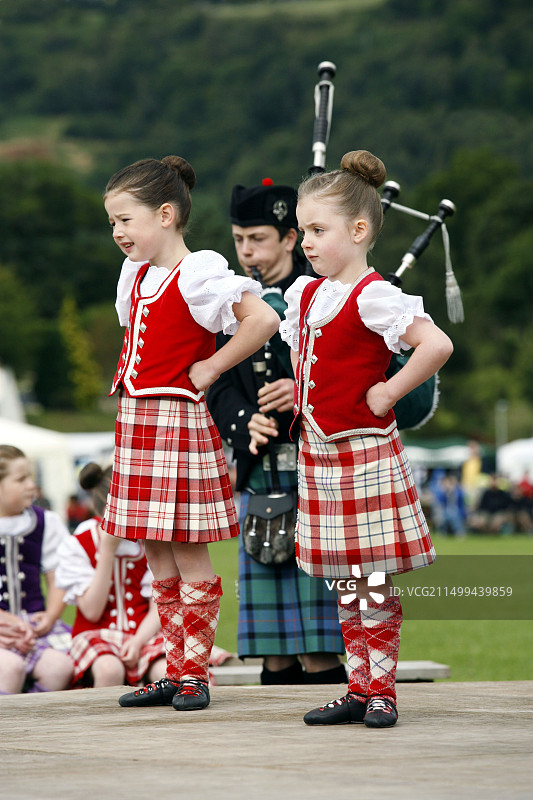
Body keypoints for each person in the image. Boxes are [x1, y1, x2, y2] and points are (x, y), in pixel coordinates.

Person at [279, 150, 453, 728]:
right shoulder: (306, 294)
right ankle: (359, 686)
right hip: (321, 454)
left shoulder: (377, 295)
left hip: (364, 451)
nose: (305, 241)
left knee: (372, 578)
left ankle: (384, 692)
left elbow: (436, 346)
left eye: (318, 230)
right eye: (303, 229)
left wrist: (388, 393)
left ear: (358, 231)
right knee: (346, 580)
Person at [100, 156, 279, 711]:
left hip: (177, 419)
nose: (118, 232)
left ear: (167, 214)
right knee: (157, 551)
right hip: (138, 420)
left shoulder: (200, 271)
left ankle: (196, 674)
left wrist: (211, 366)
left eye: (127, 220)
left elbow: (263, 320)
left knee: (188, 550)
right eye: (112, 223)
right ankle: (175, 669)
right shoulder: (138, 275)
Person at [207, 178, 346, 685]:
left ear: (290, 238)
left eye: (258, 238)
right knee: (275, 652)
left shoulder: (323, 297)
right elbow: (216, 383)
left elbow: (350, 373)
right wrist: (245, 421)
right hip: (260, 474)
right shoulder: (227, 302)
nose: (246, 251)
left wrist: (299, 390)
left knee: (318, 647)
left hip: (315, 476)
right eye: (239, 239)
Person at [55, 462, 166, 688]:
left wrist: (137, 641)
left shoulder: (150, 544)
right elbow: (92, 611)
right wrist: (107, 551)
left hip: (142, 634)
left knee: (167, 671)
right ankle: (103, 724)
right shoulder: (80, 544)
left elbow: (159, 608)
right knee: (109, 669)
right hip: (94, 635)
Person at [0, 444, 73, 695]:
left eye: (31, 477)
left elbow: (59, 577)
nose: (31, 485)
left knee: (60, 668)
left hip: (34, 624)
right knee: (9, 669)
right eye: (21, 479)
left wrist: (51, 616)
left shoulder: (44, 522)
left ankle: (38, 725)